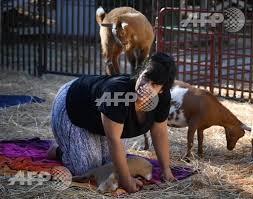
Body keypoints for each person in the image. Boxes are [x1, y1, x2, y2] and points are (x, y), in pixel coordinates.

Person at [47, 52, 177, 193]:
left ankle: (80, 147)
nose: (145, 86)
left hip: (102, 120)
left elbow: (159, 132)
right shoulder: (117, 93)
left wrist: (166, 169)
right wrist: (126, 180)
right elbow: (114, 139)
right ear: (140, 73)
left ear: (162, 90)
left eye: (154, 84)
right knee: (86, 169)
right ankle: (60, 150)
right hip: (73, 105)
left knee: (108, 166)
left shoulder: (162, 98)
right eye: (145, 77)